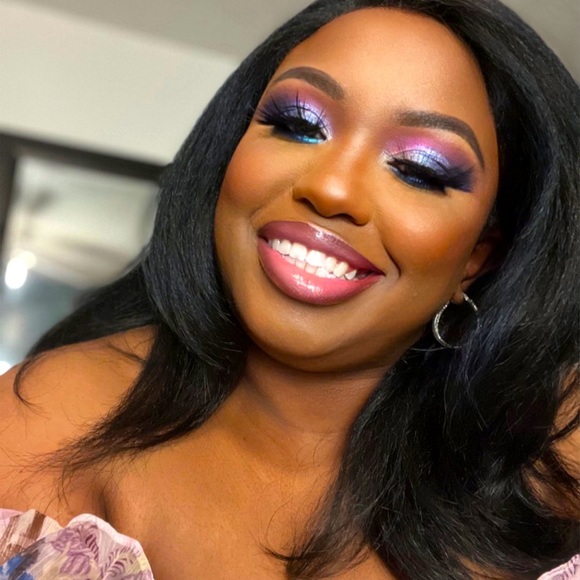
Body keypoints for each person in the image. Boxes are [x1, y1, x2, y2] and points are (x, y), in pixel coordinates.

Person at [0, 0, 578, 578]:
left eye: (419, 171)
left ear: (475, 260)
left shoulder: (551, 453)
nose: (331, 189)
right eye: (299, 125)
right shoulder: (50, 418)